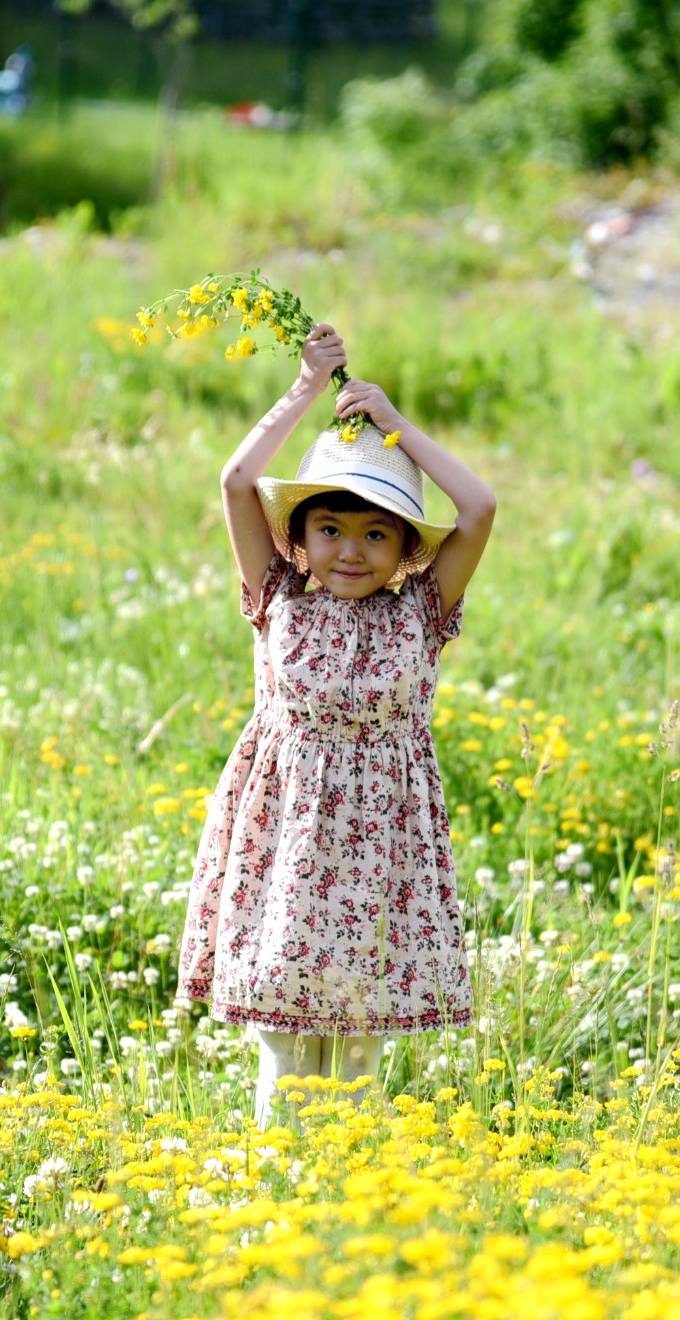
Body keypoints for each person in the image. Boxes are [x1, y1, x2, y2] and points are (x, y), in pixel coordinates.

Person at [176, 322, 498, 1129]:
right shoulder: (278, 596)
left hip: (381, 850)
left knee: (358, 1051)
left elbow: (481, 504)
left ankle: (343, 1207)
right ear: (302, 535)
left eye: (376, 533)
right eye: (331, 528)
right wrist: (307, 389)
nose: (351, 550)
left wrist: (392, 424)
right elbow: (237, 478)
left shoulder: (420, 612)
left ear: (403, 551)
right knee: (285, 1044)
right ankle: (276, 1203)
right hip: (286, 839)